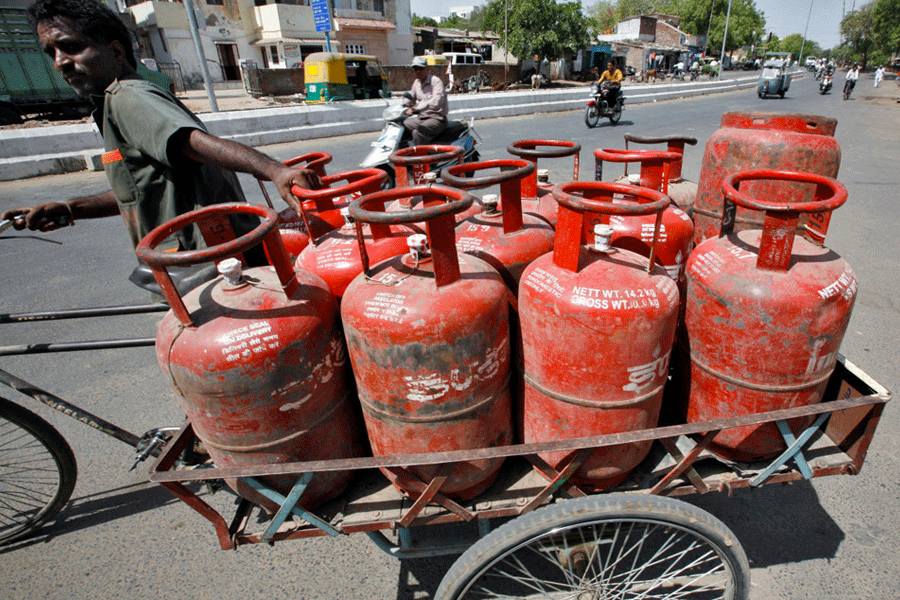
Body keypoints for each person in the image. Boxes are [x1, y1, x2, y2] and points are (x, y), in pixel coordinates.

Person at [2, 0, 320, 261]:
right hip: (213, 254)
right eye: (52, 53)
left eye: (70, 47)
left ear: (115, 51)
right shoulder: (122, 100)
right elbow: (141, 192)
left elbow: (190, 142)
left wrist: (274, 170)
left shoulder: (126, 96)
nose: (61, 62)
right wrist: (72, 209)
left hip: (207, 262)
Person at [403, 56, 448, 146]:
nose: (418, 71)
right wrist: (404, 104)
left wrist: (417, 108)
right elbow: (411, 98)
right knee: (400, 128)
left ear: (427, 69)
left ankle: (420, 158)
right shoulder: (416, 83)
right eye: (416, 69)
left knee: (418, 132)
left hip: (437, 119)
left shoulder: (435, 81)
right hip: (421, 118)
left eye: (421, 69)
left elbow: (437, 101)